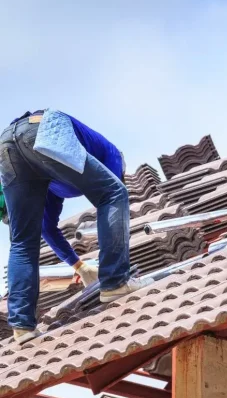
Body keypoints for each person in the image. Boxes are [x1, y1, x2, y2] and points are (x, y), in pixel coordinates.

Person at [0, 110, 153, 344]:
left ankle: (22, 326)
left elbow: (47, 228)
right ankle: (116, 282)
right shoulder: (112, 155)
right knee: (114, 193)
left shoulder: (52, 178)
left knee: (23, 240)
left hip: (9, 144)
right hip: (43, 128)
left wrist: (79, 266)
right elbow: (112, 195)